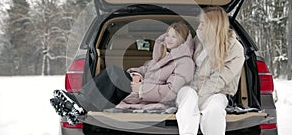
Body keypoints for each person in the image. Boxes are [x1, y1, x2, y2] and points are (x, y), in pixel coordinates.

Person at [50, 21, 195, 124]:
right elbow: (146, 69)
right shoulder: (163, 57)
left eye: (174, 36)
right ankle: (78, 104)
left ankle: (79, 103)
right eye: (167, 35)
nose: (169, 39)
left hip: (149, 97)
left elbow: (172, 91)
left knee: (114, 73)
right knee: (114, 77)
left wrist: (142, 90)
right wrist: (136, 74)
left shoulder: (185, 62)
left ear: (182, 39)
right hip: (140, 92)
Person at [176, 6, 245, 135]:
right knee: (187, 97)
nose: (199, 27)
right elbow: (181, 59)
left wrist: (198, 102)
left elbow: (219, 80)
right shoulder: (199, 39)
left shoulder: (235, 49)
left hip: (217, 91)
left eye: (203, 23)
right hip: (191, 87)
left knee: (214, 109)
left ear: (213, 25)